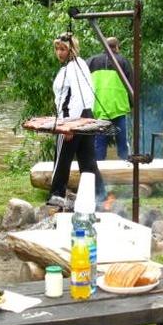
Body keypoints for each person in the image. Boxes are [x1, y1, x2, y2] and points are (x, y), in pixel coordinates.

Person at [48, 33, 104, 208]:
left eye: (63, 49)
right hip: (86, 116)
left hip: (73, 118)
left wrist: (69, 126)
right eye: (57, 48)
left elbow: (77, 98)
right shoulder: (81, 65)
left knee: (61, 159)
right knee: (87, 160)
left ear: (72, 49)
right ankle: (99, 195)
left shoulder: (73, 67)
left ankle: (57, 194)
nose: (59, 52)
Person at [87, 37, 132, 161]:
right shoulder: (123, 61)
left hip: (99, 108)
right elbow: (131, 85)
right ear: (117, 47)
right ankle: (126, 168)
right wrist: (132, 105)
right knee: (122, 143)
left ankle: (98, 171)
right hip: (119, 108)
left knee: (99, 144)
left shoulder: (91, 61)